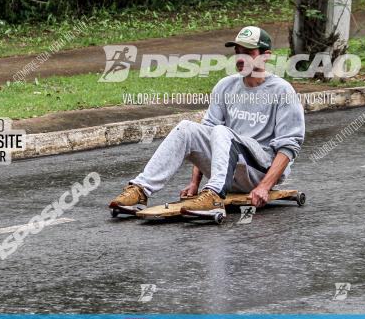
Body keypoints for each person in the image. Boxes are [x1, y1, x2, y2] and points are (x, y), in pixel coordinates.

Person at [108, 26, 305, 218]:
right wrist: (195, 183)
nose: (240, 58)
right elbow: (206, 133)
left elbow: (289, 146)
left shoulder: (282, 91)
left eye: (248, 52)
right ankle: (141, 190)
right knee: (187, 128)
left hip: (260, 171)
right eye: (237, 52)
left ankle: (214, 197)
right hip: (227, 171)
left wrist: (263, 187)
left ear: (266, 55)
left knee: (221, 131)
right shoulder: (225, 86)